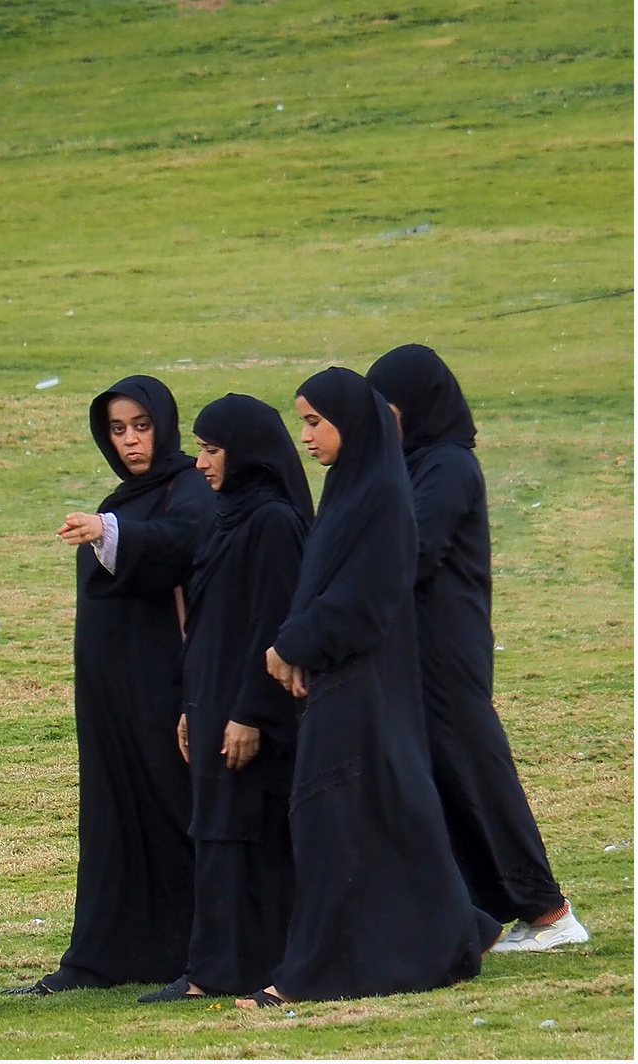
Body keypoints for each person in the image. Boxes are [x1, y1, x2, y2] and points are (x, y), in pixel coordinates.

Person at [237, 367, 501, 1008]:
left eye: (314, 421)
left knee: (338, 824)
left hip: (364, 683)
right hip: (348, 680)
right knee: (390, 815)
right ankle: (458, 932)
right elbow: (323, 586)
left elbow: (368, 598)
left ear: (351, 425)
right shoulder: (353, 489)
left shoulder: (382, 496)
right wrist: (295, 642)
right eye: (302, 420)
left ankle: (310, 975)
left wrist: (293, 645)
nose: (305, 435)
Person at [365, 344, 588, 952]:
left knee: (476, 772)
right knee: (442, 774)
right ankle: (482, 912)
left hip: (446, 646)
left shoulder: (447, 465)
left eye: (385, 409)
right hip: (415, 646)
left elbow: (416, 550)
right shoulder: (412, 463)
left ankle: (548, 913)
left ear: (414, 406)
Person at [4, 374, 215, 995]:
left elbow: (187, 544)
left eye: (141, 426)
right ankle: (103, 956)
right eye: (118, 430)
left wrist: (113, 534)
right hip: (109, 692)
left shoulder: (188, 489)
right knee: (113, 816)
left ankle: (201, 950)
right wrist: (110, 525)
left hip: (164, 685)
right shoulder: (123, 496)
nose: (129, 442)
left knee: (177, 808)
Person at [139, 394, 314, 1002]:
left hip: (247, 709)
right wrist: (193, 706)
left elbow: (273, 627)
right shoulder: (227, 515)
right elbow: (210, 622)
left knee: (247, 834)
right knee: (215, 830)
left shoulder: (271, 522)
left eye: (212, 450)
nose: (200, 463)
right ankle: (211, 968)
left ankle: (235, 968)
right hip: (212, 700)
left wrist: (250, 712)